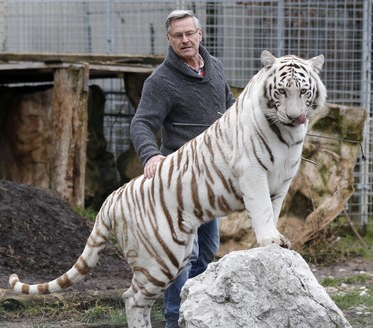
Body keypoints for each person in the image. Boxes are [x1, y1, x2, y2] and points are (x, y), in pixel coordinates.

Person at [130, 9, 235, 328]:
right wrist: (150, 156)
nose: (185, 40)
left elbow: (229, 107)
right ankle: (175, 319)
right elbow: (141, 124)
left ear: (200, 34)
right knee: (183, 255)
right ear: (169, 40)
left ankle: (198, 313)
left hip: (212, 179)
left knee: (207, 251)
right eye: (178, 35)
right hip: (179, 181)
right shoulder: (160, 81)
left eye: (190, 33)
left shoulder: (214, 66)